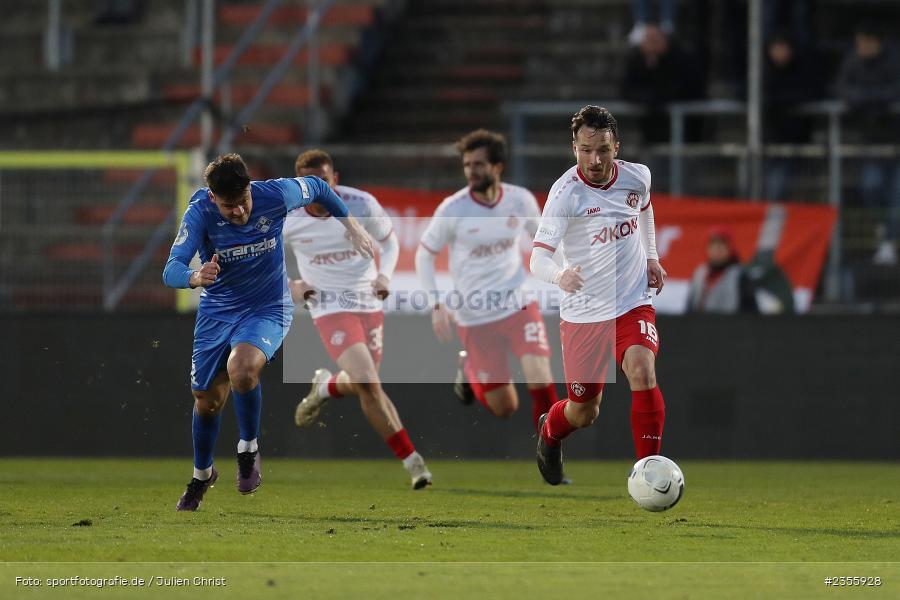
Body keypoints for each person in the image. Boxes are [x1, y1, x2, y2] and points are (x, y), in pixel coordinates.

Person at [163, 153, 374, 511]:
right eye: (230, 207)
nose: (241, 213)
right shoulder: (199, 211)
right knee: (206, 400)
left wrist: (350, 225)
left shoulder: (275, 195)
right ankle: (202, 475)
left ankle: (248, 449)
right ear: (214, 198)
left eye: (244, 202)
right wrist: (195, 277)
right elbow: (172, 269)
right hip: (218, 311)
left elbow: (320, 187)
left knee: (242, 368)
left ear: (250, 188)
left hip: (267, 306)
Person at [530, 106, 668, 485]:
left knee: (642, 368)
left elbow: (645, 210)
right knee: (583, 411)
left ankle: (649, 472)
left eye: (603, 150)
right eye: (586, 150)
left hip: (631, 300)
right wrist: (560, 275)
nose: (595, 160)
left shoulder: (637, 177)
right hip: (585, 312)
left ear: (616, 147)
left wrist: (652, 257)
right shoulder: (565, 195)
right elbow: (536, 259)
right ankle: (550, 432)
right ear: (574, 149)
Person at [284, 150, 433, 489]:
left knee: (366, 382)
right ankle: (413, 462)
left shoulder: (361, 204)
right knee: (369, 382)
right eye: (310, 183)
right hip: (328, 305)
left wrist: (385, 277)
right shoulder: (288, 216)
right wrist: (291, 284)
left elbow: (390, 242)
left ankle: (326, 386)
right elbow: (267, 261)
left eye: (324, 180)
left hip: (367, 301)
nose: (319, 187)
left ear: (334, 178)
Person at [415, 129, 560, 433]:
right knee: (505, 407)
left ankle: (551, 454)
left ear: (497, 167)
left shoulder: (520, 201)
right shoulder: (452, 209)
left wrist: (564, 272)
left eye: (479, 164)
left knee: (540, 375)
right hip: (475, 315)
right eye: (467, 165)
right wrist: (436, 304)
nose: (471, 171)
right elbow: (424, 256)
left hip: (519, 304)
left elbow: (544, 242)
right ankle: (468, 370)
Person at [836, 21, 900, 265]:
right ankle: (885, 235)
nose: (861, 47)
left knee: (897, 195)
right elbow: (843, 89)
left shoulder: (894, 61)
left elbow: (896, 90)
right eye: (859, 42)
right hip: (871, 141)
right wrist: (872, 100)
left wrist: (868, 99)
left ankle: (889, 242)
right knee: (872, 187)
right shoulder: (852, 62)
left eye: (866, 42)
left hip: (896, 140)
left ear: (878, 42)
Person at [762, 31, 824, 201]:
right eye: (776, 48)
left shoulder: (804, 70)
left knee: (793, 192)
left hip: (799, 139)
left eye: (783, 48)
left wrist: (781, 101)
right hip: (772, 141)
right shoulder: (762, 71)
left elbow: (815, 92)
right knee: (773, 190)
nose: (780, 53)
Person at [622, 23, 705, 145]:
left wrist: (657, 98)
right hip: (652, 131)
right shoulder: (638, 61)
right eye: (648, 40)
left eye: (655, 40)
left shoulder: (682, 59)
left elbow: (686, 88)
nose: (652, 45)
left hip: (686, 129)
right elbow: (626, 89)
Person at [686, 227, 757, 313]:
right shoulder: (699, 274)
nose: (717, 249)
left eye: (721, 245)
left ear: (730, 248)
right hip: (702, 324)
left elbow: (750, 311)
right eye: (713, 245)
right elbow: (690, 307)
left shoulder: (740, 276)